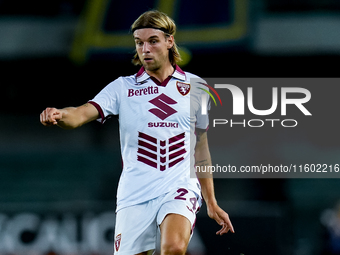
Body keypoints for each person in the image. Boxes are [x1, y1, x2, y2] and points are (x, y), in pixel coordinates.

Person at [40, 10, 234, 255]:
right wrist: (60, 115)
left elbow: (201, 147)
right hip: (135, 192)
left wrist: (212, 202)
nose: (145, 49)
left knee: (173, 248)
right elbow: (80, 114)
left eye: (153, 41)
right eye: (139, 43)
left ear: (169, 41)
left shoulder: (196, 87)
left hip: (179, 185)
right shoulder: (122, 88)